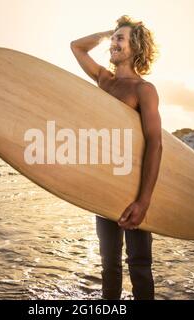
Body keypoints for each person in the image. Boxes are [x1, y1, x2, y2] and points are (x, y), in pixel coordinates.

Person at [70, 15, 163, 300]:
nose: (113, 44)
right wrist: (108, 32)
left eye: (120, 39)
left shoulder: (144, 90)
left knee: (139, 266)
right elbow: (76, 47)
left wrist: (143, 200)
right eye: (113, 39)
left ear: (135, 47)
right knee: (109, 266)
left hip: (134, 187)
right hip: (106, 186)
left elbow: (155, 144)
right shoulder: (105, 81)